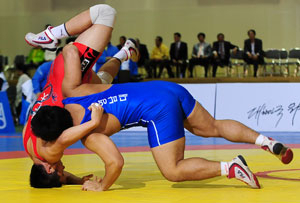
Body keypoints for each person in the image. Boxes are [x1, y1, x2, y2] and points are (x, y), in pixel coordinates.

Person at [32, 43, 293, 191]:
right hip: (165, 87)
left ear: (61, 135)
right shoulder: (72, 92)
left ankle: (230, 168)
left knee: (173, 170)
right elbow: (70, 52)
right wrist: (61, 35)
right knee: (211, 126)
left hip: (158, 108)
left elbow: (116, 163)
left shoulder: (88, 134)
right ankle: (265, 142)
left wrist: (103, 186)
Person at [23, 4, 137, 188]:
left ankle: (50, 35)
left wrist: (93, 122)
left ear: (50, 169)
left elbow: (74, 134)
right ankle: (125, 53)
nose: (64, 168)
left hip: (68, 75)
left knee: (105, 13)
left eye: (60, 172)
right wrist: (78, 180)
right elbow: (58, 172)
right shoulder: (30, 147)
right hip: (63, 78)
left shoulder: (50, 153)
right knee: (101, 80)